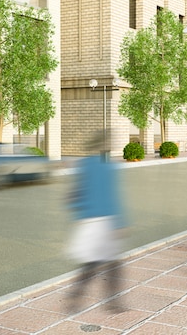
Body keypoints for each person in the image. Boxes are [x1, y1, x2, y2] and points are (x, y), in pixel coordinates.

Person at [66, 133, 127, 312]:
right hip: (105, 221)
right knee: (111, 264)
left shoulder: (85, 164)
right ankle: (112, 303)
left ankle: (75, 298)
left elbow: (75, 194)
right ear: (103, 144)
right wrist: (121, 223)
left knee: (95, 263)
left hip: (91, 220)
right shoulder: (108, 167)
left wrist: (80, 216)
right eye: (109, 141)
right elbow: (112, 197)